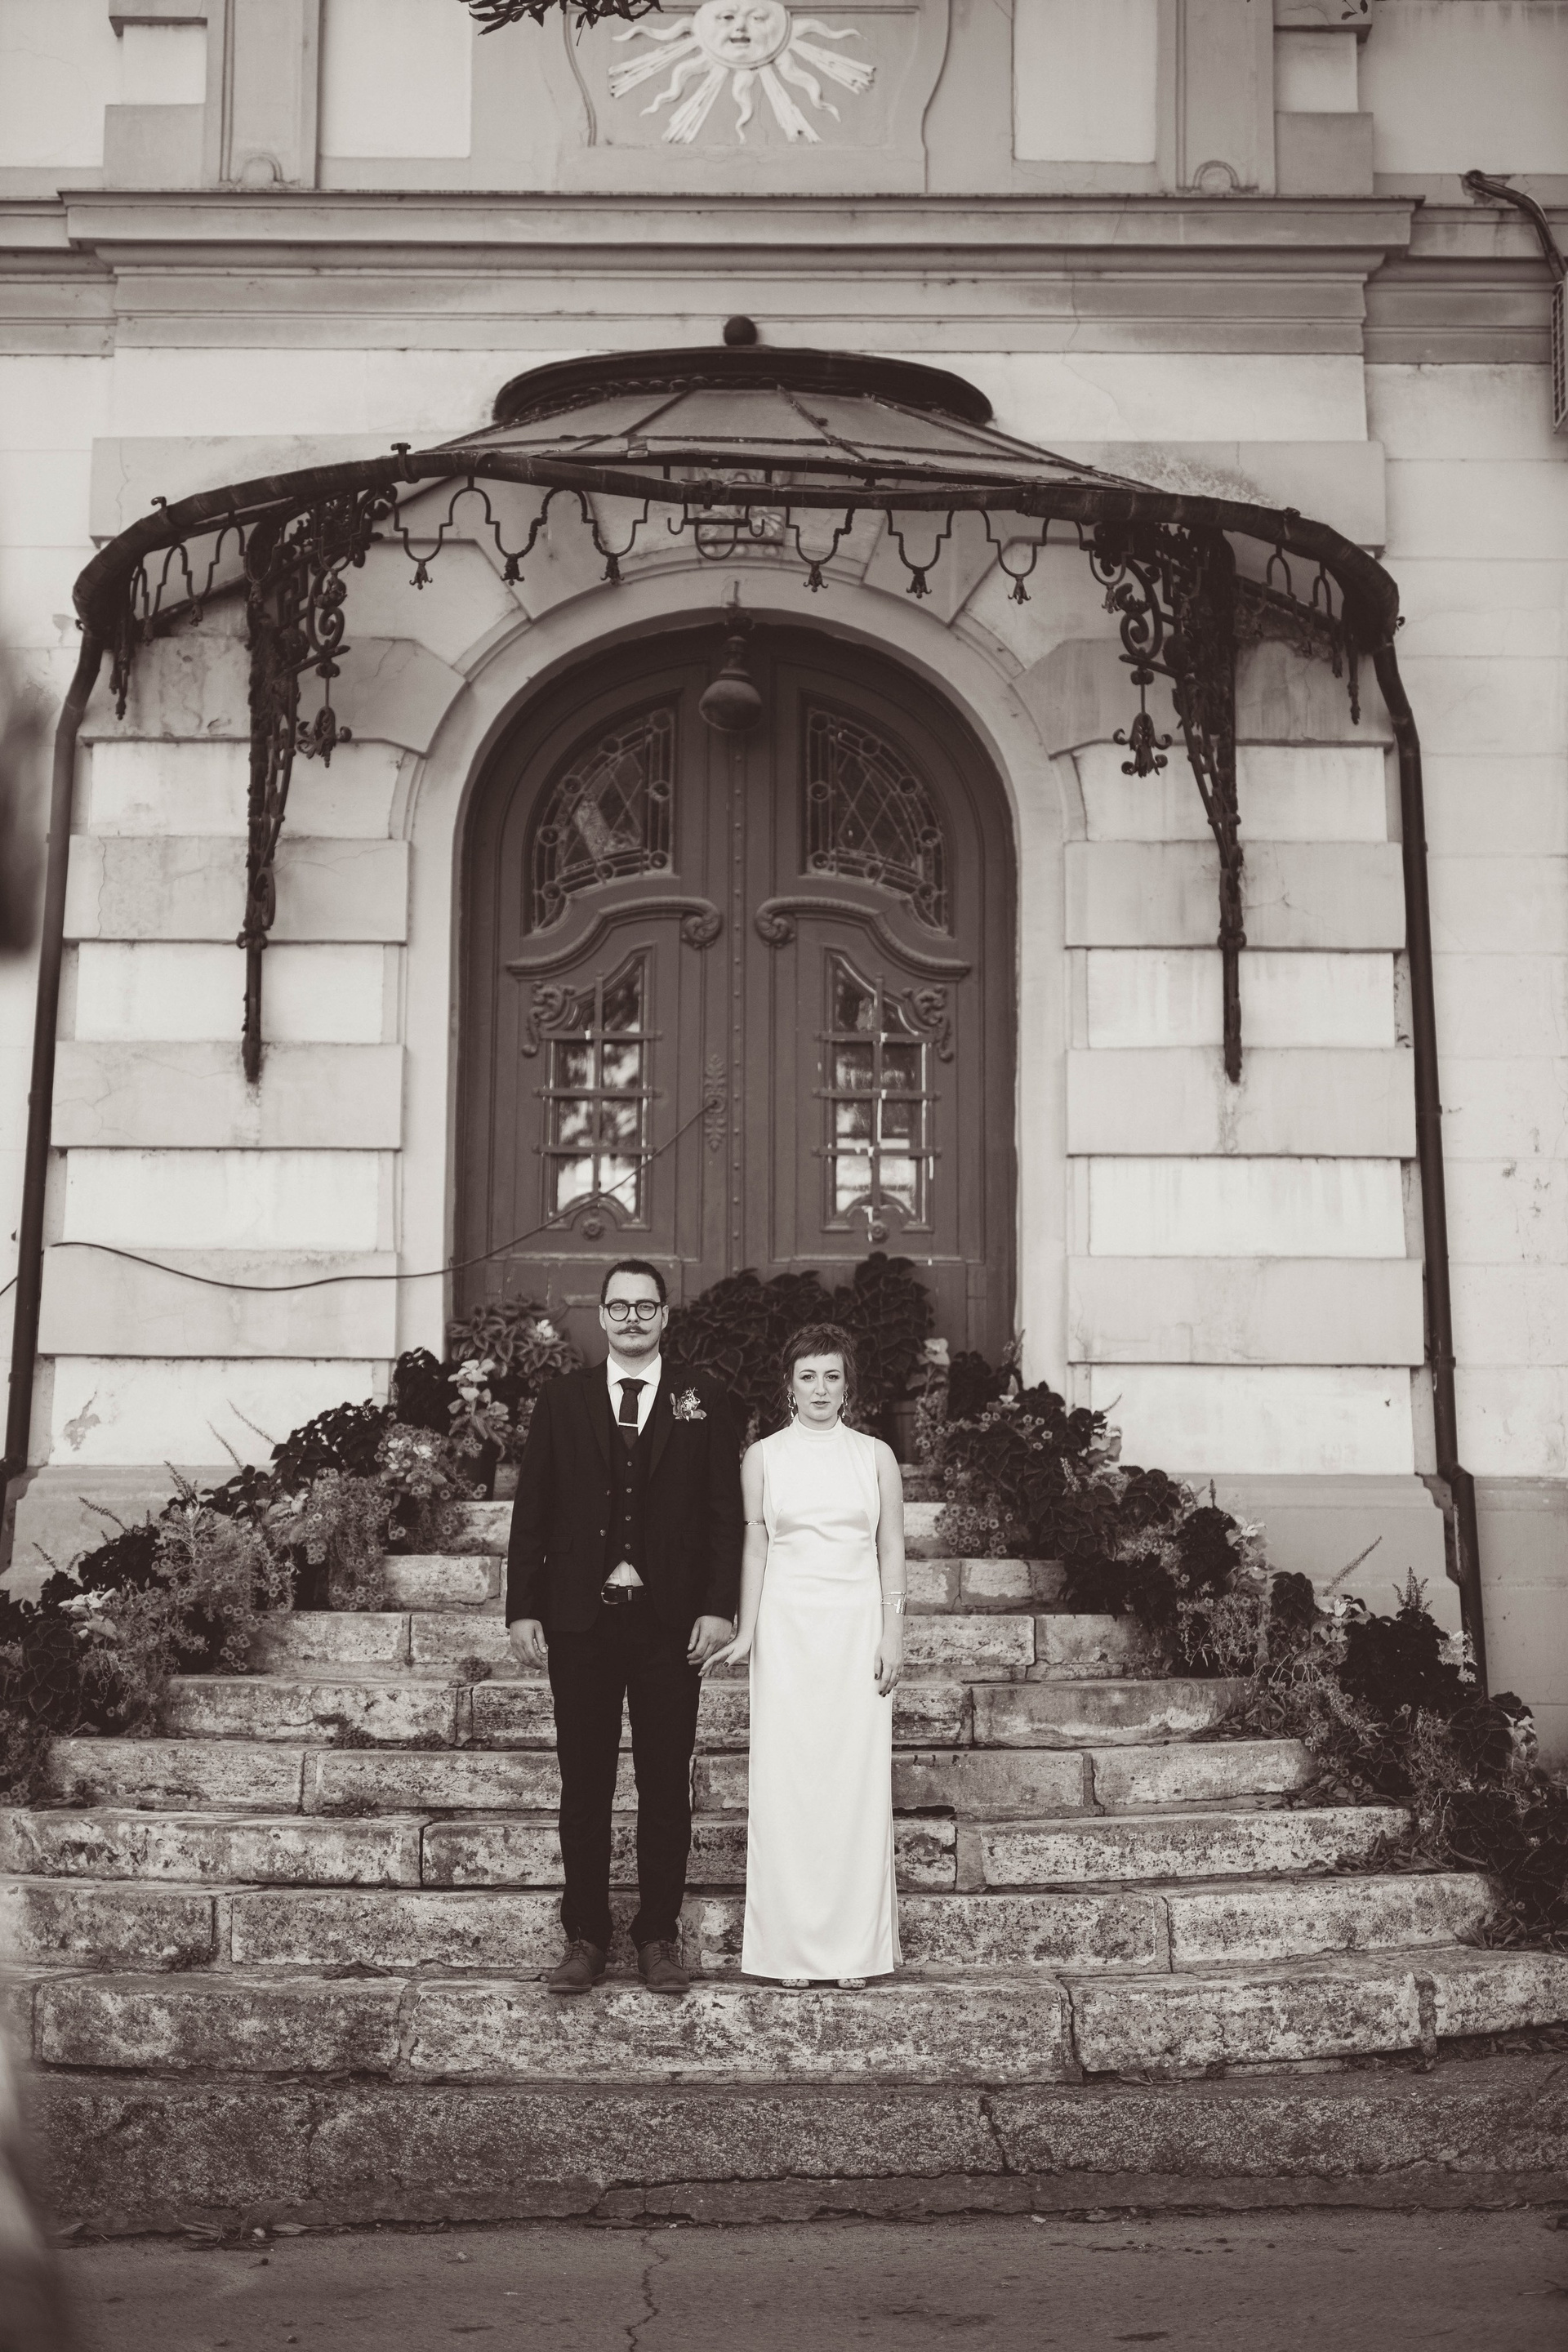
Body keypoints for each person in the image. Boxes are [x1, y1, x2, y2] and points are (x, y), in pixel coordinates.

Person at [506, 1258, 742, 1996]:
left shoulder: (703, 1397)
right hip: (581, 1625)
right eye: (619, 1306)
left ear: (665, 1316)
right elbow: (533, 1508)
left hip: (671, 1628)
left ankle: (657, 1936)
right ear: (602, 1315)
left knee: (665, 1786)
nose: (632, 1318)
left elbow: (723, 1512)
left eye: (646, 1306)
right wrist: (523, 1607)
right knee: (585, 1785)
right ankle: (585, 1935)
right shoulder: (562, 1399)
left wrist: (719, 1605)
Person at [703, 1322, 906, 1987]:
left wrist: (893, 1632)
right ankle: (787, 1951)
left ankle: (854, 1951)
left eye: (832, 1376)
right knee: (787, 1787)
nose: (821, 1389)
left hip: (856, 1631)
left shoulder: (875, 1456)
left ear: (849, 1386)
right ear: (789, 1386)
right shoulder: (763, 1457)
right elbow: (755, 1546)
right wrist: (747, 1631)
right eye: (808, 1377)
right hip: (788, 1634)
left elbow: (891, 1548)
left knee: (854, 1786)